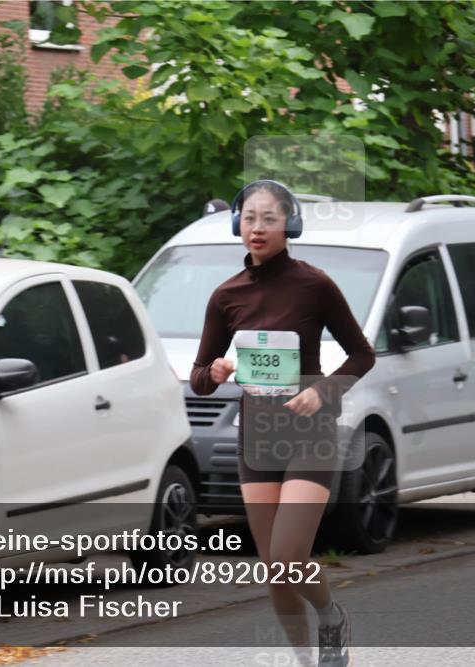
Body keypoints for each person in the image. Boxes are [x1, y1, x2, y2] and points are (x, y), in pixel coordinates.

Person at [190, 180, 375, 667]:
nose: (257, 228)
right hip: (258, 439)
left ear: (289, 224)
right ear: (237, 224)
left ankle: (330, 615)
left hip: (310, 436)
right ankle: (305, 660)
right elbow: (199, 377)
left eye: (269, 218)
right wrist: (214, 372)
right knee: (274, 569)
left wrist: (323, 390)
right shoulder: (226, 295)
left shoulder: (314, 285)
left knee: (290, 556)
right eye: (250, 218)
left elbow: (362, 354)